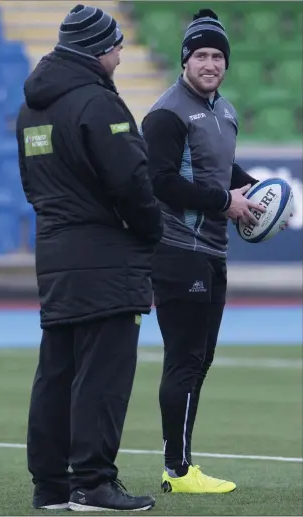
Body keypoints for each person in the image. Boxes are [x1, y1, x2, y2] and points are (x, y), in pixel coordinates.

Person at [16, 4, 162, 512]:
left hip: (56, 251)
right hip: (106, 254)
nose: (122, 54)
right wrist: (151, 231)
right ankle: (93, 483)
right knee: (103, 374)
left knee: (57, 371)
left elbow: (32, 184)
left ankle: (51, 486)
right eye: (117, 46)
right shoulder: (97, 103)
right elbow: (130, 183)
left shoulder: (31, 107)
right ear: (98, 49)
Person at [141, 8, 266, 494]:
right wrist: (224, 202)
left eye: (218, 55)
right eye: (201, 55)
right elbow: (160, 181)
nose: (210, 63)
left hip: (211, 251)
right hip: (177, 250)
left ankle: (182, 463)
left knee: (200, 359)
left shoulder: (225, 110)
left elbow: (221, 171)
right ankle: (178, 470)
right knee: (186, 359)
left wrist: (255, 191)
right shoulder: (166, 113)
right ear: (185, 60)